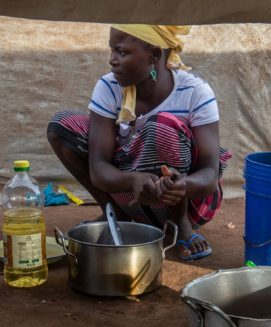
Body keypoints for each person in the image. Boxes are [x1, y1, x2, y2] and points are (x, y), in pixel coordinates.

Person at [47, 25, 231, 260]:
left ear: (154, 55)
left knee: (162, 125)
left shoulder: (195, 92)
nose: (112, 61)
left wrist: (182, 186)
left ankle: (181, 225)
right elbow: (98, 167)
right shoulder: (109, 86)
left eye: (122, 52)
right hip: (133, 195)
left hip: (187, 199)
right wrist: (134, 179)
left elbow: (209, 173)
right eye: (112, 50)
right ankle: (115, 213)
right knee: (62, 126)